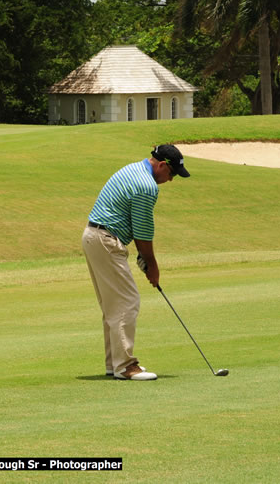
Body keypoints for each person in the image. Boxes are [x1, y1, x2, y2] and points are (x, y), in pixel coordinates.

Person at [81, 144, 190, 381]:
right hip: (105, 239)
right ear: (162, 165)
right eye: (171, 174)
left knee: (113, 305)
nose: (171, 180)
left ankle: (114, 363)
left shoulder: (133, 168)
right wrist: (152, 265)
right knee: (127, 301)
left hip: (94, 236)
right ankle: (125, 366)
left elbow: (135, 226)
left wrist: (144, 259)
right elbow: (143, 231)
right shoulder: (146, 186)